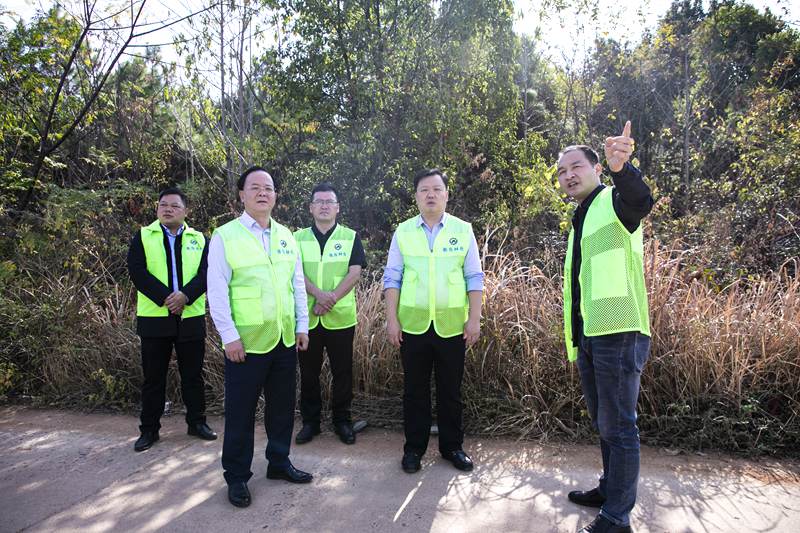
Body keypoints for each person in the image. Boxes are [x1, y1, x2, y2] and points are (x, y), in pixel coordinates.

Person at [557, 121, 654, 533]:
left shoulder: (614, 201)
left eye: (576, 166)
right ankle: (610, 489)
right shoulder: (580, 218)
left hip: (620, 330)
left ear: (597, 168)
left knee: (620, 426)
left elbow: (640, 200)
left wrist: (622, 168)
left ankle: (616, 517)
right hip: (591, 333)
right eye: (561, 171)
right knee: (605, 422)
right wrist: (576, 338)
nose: (568, 175)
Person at [207, 166, 312, 508]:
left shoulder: (286, 236)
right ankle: (237, 476)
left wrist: (302, 325)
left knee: (282, 408)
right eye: (255, 187)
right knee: (241, 412)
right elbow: (217, 291)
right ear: (242, 194)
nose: (263, 192)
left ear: (275, 195)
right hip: (246, 343)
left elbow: (296, 283)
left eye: (268, 187)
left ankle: (279, 462)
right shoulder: (226, 236)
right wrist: (229, 336)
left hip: (283, 339)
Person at [383, 168, 483, 474]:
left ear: (446, 195)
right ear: (416, 196)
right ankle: (414, 449)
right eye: (424, 190)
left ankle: (452, 447)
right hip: (412, 326)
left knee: (450, 391)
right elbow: (392, 278)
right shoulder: (403, 232)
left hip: (452, 326)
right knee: (414, 391)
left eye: (437, 189)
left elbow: (474, 276)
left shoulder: (462, 230)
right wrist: (391, 320)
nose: (431, 195)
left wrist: (474, 319)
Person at [127, 186, 216, 452]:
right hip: (155, 318)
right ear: (157, 209)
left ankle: (197, 423)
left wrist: (185, 296)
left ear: (186, 211)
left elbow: (207, 272)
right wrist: (167, 298)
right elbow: (137, 271)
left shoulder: (200, 239)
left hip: (190, 317)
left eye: (175, 205)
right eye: (163, 205)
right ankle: (149, 430)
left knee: (193, 375)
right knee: (153, 378)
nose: (168, 209)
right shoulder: (143, 236)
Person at [294, 183, 367, 445]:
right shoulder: (296, 238)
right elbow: (294, 273)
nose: (324, 206)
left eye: (329, 202)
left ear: (338, 208)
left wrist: (329, 299)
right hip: (308, 318)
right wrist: (318, 295)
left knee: (342, 372)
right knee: (308, 372)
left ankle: (342, 421)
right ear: (311, 207)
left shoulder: (350, 237)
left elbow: (355, 273)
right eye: (319, 201)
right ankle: (310, 423)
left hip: (341, 318)